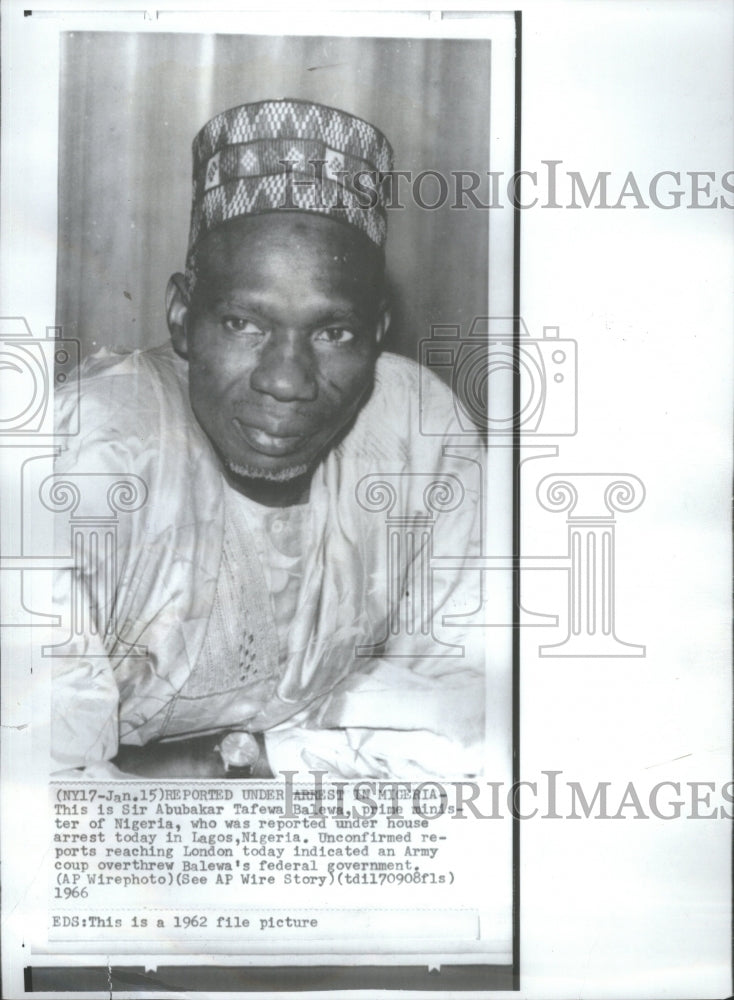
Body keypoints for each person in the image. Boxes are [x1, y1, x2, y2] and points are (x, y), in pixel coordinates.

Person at [50, 99, 488, 780]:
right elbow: (37, 792)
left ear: (376, 332)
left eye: (331, 333)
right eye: (243, 325)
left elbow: (467, 708)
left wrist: (238, 760)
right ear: (181, 315)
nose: (287, 382)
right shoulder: (88, 455)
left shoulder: (416, 429)